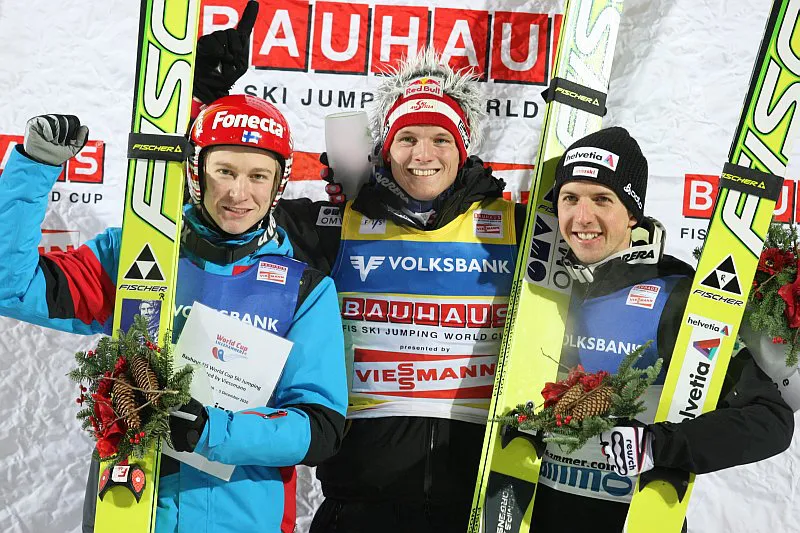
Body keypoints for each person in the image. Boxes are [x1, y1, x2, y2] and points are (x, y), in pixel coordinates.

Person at [0, 95, 347, 532]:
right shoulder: (135, 252)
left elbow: (318, 429)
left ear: (279, 183)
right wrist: (35, 167)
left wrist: (211, 431)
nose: (239, 193)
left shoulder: (304, 290)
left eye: (258, 175)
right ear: (196, 173)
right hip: (131, 511)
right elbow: (12, 287)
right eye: (224, 171)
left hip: (242, 521)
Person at [268, 50, 525, 532]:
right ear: (385, 149)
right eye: (407, 138)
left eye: (440, 139)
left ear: (463, 149)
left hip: (478, 509)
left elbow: (597, 240)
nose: (422, 155)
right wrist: (204, 101)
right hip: (359, 507)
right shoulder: (336, 224)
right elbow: (234, 211)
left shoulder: (517, 228)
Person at [527, 126, 794, 533]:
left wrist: (658, 445)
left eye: (602, 199)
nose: (582, 217)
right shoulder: (539, 287)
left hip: (633, 519)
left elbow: (770, 421)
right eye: (570, 198)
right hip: (537, 514)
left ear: (632, 213)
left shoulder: (675, 296)